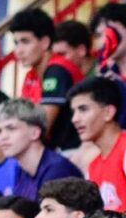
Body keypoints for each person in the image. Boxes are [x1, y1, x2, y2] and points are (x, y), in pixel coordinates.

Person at [69, 77, 126, 211]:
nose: (74, 119)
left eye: (83, 109)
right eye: (73, 112)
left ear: (108, 112)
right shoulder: (93, 166)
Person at [12, 8, 84, 152]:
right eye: (16, 43)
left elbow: (42, 125)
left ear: (45, 42)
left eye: (25, 41)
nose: (18, 50)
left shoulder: (57, 71)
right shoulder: (31, 75)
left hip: (74, 151)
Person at [0, 99, 81, 201]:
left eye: (11, 128)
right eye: (0, 131)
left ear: (35, 133)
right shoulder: (22, 170)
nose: (2, 137)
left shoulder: (58, 171)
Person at [89, 2, 126, 132]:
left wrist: (123, 89)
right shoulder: (107, 74)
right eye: (99, 35)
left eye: (109, 32)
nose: (103, 41)